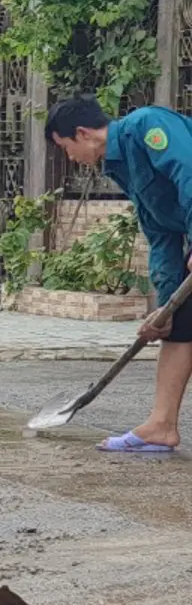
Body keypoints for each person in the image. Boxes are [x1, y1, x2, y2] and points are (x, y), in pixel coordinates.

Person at [47, 96, 192, 453]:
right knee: (181, 323)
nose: (71, 159)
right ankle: (161, 425)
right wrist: (165, 304)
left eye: (67, 148)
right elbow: (159, 230)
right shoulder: (120, 164)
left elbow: (188, 170)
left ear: (83, 133)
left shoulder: (147, 126)